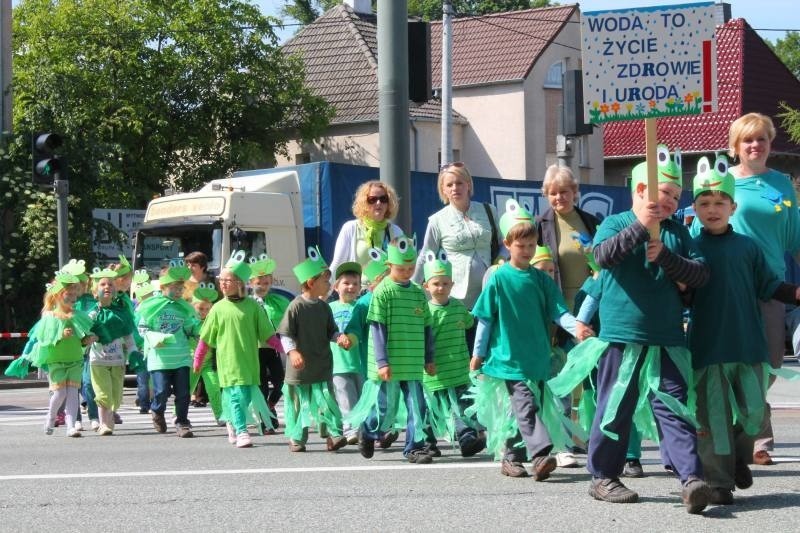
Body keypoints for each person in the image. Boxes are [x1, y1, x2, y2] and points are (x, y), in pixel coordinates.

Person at [567, 145, 712, 513]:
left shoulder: (679, 232)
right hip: (621, 336)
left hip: (666, 338)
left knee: (674, 408)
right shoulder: (615, 223)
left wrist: (665, 255)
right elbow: (601, 257)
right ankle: (603, 476)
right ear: (642, 191)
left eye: (677, 196)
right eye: (664, 192)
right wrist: (639, 227)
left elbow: (700, 275)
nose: (670, 201)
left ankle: (691, 478)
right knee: (615, 408)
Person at [689, 155, 800, 504]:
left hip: (747, 344)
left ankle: (739, 457)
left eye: (720, 202)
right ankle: (719, 483)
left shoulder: (747, 247)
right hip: (708, 348)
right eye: (704, 202)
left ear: (733, 206)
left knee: (754, 414)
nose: (712, 208)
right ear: (694, 208)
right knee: (714, 419)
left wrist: (796, 292)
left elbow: (769, 285)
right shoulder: (691, 246)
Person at [469, 199, 583, 480]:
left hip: (536, 356)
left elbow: (558, 310)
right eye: (521, 246)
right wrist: (478, 353)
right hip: (508, 357)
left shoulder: (541, 280)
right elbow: (485, 318)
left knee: (520, 408)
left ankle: (511, 457)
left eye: (532, 245)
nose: (527, 251)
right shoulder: (498, 279)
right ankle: (541, 454)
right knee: (524, 403)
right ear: (508, 244)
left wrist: (576, 327)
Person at [349, 236, 437, 464]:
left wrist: (429, 357)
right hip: (389, 362)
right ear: (389, 266)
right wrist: (382, 362)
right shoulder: (383, 292)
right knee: (385, 408)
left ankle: (414, 448)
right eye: (401, 268)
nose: (407, 272)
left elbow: (427, 326)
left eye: (411, 267)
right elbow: (377, 329)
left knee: (418, 407)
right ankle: (368, 431)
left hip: (413, 362)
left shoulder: (418, 292)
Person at [194, 251, 276, 448]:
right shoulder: (217, 308)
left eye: (227, 280)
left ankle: (231, 420)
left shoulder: (253, 306)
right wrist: (197, 359)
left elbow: (267, 333)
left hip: (249, 362)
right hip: (228, 363)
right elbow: (205, 339)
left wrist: (286, 349)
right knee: (237, 396)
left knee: (244, 397)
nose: (222, 283)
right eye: (221, 280)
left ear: (239, 283)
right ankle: (242, 431)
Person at [278, 247, 352, 453]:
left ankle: (333, 435)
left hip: (320, 364)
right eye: (325, 281)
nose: (329, 285)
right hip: (300, 368)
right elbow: (285, 334)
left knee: (327, 400)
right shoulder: (296, 306)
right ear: (311, 283)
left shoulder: (324, 307)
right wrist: (293, 352)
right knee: (298, 403)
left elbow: (332, 331)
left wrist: (340, 338)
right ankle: (297, 437)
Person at [419, 249, 484, 458]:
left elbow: (470, 323)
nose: (441, 288)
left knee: (461, 406)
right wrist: (426, 362)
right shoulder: (425, 311)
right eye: (436, 283)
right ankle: (428, 443)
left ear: (452, 285)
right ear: (426, 286)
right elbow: (422, 340)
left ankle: (466, 438)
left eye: (445, 283)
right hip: (435, 373)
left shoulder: (458, 307)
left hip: (458, 370)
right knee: (432, 409)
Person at [413, 162, 502, 312]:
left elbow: (504, 243)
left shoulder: (489, 210)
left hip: (490, 289)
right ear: (443, 190)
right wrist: (412, 287)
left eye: (459, 183)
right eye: (449, 185)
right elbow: (426, 255)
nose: (455, 188)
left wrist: (501, 260)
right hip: (455, 296)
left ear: (468, 185)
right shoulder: (437, 220)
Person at [28, 270, 95, 437]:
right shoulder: (50, 316)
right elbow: (45, 339)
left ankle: (71, 426)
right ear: (58, 295)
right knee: (59, 393)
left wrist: (88, 339)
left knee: (73, 394)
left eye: (75, 293)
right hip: (57, 361)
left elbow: (82, 338)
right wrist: (60, 336)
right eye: (69, 293)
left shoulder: (78, 315)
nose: (73, 296)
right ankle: (50, 417)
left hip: (74, 359)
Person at [137, 260, 199, 438]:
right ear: (163, 287)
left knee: (183, 393)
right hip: (160, 359)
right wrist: (152, 337)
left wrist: (198, 332)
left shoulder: (183, 308)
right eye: (174, 288)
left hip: (181, 357)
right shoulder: (151, 306)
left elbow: (189, 327)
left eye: (181, 288)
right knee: (161, 391)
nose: (179, 292)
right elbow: (143, 328)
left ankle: (182, 422)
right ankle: (157, 411)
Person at [536, 165, 601, 307]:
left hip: (590, 302)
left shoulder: (592, 222)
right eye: (553, 193)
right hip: (555, 306)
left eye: (564, 191)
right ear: (546, 195)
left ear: (574, 191)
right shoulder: (539, 226)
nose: (559, 197)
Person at [86, 267, 137, 436]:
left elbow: (128, 335)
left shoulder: (121, 314)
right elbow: (83, 334)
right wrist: (86, 339)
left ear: (115, 290)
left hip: (117, 361)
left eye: (110, 284)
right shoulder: (92, 314)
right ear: (95, 291)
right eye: (102, 284)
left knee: (116, 397)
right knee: (103, 394)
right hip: (98, 361)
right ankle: (104, 424)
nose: (107, 287)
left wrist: (134, 353)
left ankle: (109, 420)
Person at [330, 180, 404, 284]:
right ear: (364, 203)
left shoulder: (396, 231)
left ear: (389, 203)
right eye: (372, 199)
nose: (378, 203)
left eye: (383, 199)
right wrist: (325, 293)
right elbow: (337, 264)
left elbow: (403, 266)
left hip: (387, 293)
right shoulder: (350, 228)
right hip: (358, 294)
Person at [248, 253, 289, 431]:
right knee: (261, 385)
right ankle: (266, 419)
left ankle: (270, 406)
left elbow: (289, 318)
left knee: (281, 381)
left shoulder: (278, 301)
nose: (263, 287)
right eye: (259, 283)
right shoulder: (247, 303)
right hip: (255, 349)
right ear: (251, 283)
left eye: (266, 283)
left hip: (274, 348)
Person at [329, 261, 364, 444]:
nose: (351, 287)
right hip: (338, 363)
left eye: (355, 284)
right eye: (346, 283)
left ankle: (362, 428)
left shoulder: (361, 307)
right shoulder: (330, 308)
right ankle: (351, 429)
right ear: (336, 287)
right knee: (345, 398)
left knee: (361, 398)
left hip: (359, 362)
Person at [188, 283, 223, 425]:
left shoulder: (213, 322)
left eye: (207, 309)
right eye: (200, 308)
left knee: (214, 387)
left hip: (208, 362)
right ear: (193, 307)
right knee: (186, 390)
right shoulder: (189, 322)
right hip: (191, 361)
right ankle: (177, 414)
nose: (204, 312)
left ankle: (220, 416)